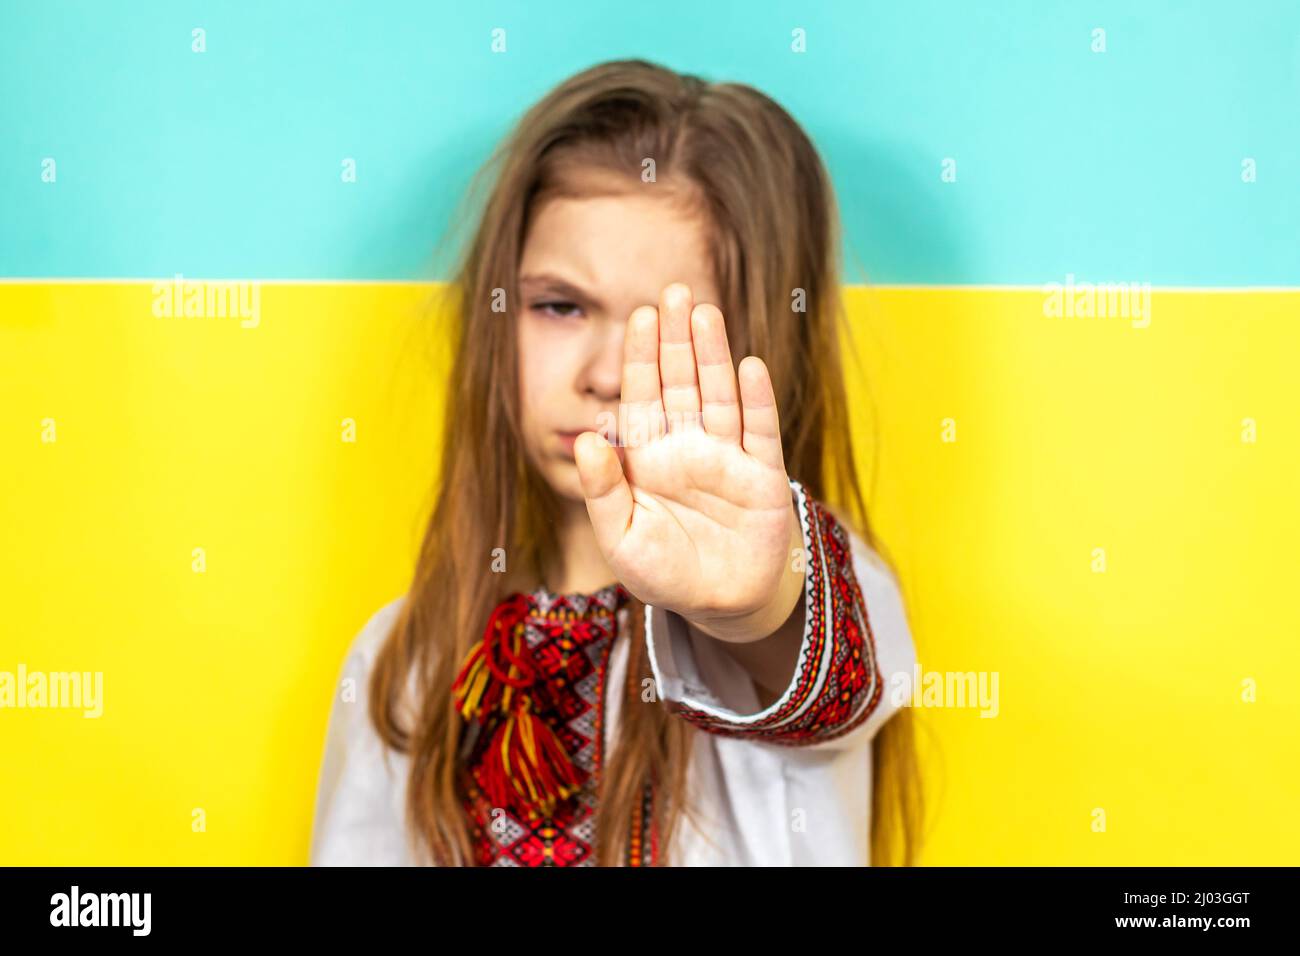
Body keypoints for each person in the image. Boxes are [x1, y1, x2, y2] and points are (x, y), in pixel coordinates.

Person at [310, 59, 921, 867]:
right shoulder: (407, 657)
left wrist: (750, 608)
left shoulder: (811, 586)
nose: (603, 372)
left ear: (756, 348)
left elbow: (821, 674)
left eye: (660, 332)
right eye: (560, 305)